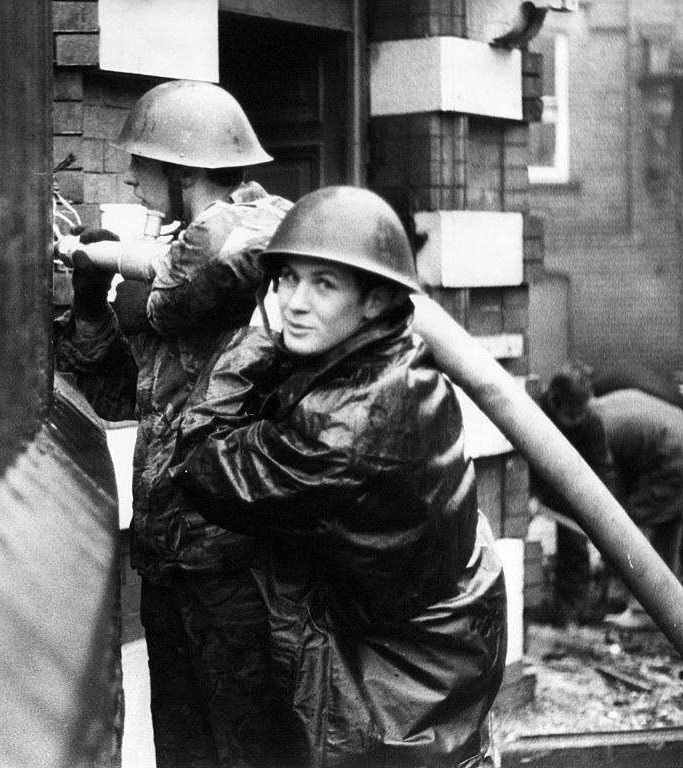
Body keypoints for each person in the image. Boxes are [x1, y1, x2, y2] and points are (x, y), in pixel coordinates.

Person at [169, 186, 508, 767]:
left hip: (396, 682)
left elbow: (196, 462)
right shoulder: (397, 362)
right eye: (288, 279)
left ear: (375, 301)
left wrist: (256, 342)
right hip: (436, 648)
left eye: (323, 284)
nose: (295, 302)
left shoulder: (341, 431)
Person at [53, 79, 293, 767]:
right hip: (174, 548)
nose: (130, 175)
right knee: (184, 741)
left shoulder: (246, 232)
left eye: (144, 164)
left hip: (228, 555)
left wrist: (123, 265)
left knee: (238, 743)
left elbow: (181, 282)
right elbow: (114, 358)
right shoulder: (199, 242)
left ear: (184, 172)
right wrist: (89, 270)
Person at [528, 360, 617, 626]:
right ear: (555, 402)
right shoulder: (535, 413)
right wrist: (531, 494)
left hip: (574, 484)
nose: (578, 419)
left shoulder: (590, 421)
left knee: (574, 543)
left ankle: (569, 612)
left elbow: (602, 468)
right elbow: (525, 457)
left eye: (582, 413)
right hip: (541, 478)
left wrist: (602, 512)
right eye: (572, 414)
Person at [592, 387, 683, 629]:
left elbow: (612, 488)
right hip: (672, 442)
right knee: (668, 521)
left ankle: (644, 610)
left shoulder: (598, 430)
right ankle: (662, 606)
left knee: (629, 526)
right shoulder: (606, 407)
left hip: (672, 454)